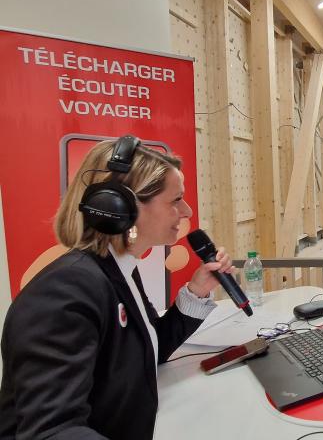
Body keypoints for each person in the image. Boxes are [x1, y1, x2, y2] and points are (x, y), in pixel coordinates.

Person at [0, 136, 233, 439]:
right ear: (124, 207)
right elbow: (53, 432)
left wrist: (197, 291)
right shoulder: (65, 293)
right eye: (175, 200)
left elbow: (147, 350)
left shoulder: (119, 272)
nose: (187, 211)